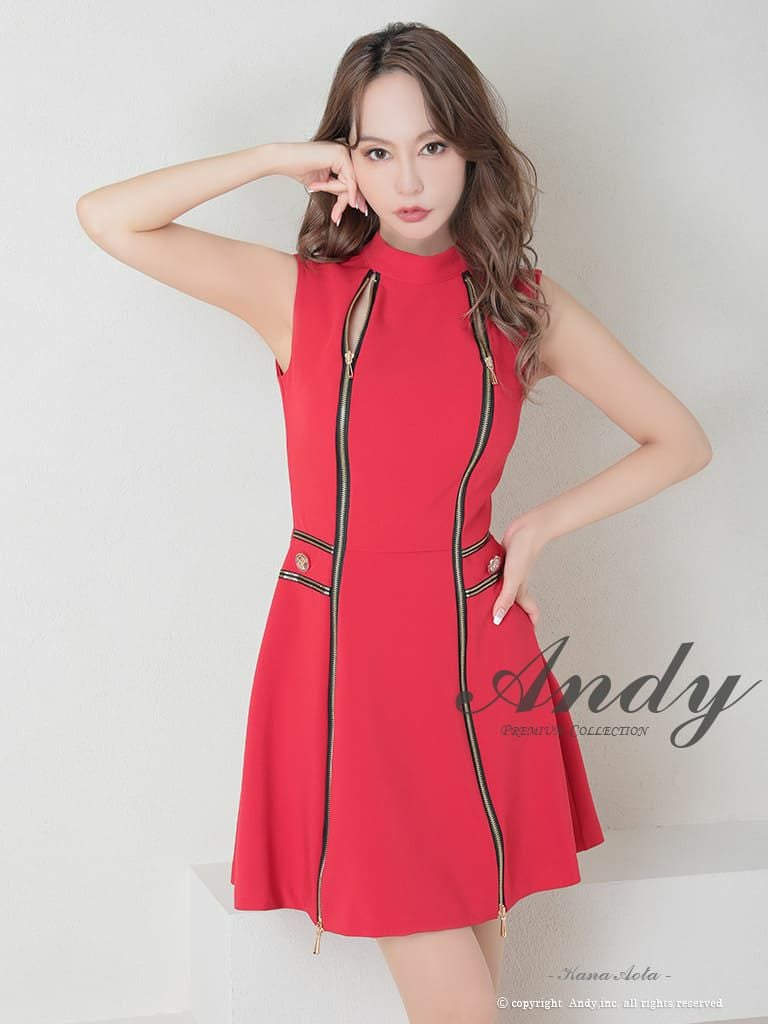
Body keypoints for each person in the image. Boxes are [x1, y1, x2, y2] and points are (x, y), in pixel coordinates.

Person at [76, 21, 712, 1024]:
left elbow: (679, 440)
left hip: (476, 647)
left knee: (466, 1000)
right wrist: (274, 157)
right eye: (377, 150)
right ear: (345, 160)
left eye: (432, 145)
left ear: (470, 149)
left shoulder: (522, 306)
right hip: (342, 657)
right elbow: (109, 218)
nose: (408, 179)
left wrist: (541, 525)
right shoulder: (300, 295)